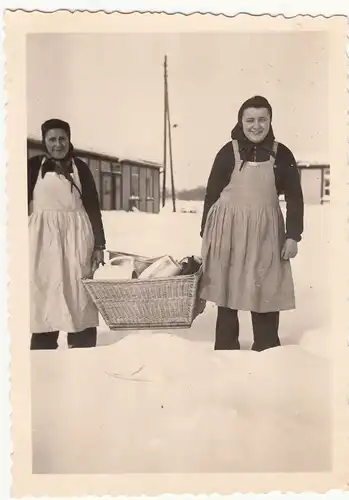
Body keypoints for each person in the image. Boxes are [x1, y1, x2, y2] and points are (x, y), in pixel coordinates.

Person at [200, 96, 304, 351]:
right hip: (228, 230)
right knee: (227, 290)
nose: (256, 126)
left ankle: (266, 350)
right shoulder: (228, 151)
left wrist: (293, 236)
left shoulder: (282, 153)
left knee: (265, 289)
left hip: (266, 232)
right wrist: (206, 233)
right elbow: (212, 193)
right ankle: (225, 353)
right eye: (250, 120)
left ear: (270, 121)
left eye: (262, 119)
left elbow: (295, 196)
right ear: (241, 122)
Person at [28, 118, 106, 350]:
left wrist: (99, 245)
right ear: (44, 141)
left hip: (77, 238)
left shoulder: (80, 167)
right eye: (52, 139)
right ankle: (42, 351)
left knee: (78, 293)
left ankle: (82, 350)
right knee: (44, 291)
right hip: (43, 240)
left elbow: (93, 207)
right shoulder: (33, 166)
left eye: (62, 138)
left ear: (69, 140)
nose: (58, 144)